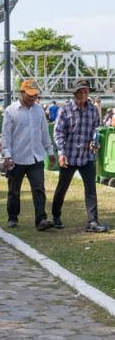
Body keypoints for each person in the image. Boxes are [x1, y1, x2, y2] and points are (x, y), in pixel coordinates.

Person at [52, 80, 108, 232]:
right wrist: (61, 153)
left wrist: (95, 141)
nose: (84, 94)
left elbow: (97, 128)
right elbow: (58, 133)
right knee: (62, 187)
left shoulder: (93, 110)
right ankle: (56, 216)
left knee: (91, 190)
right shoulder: (65, 110)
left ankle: (93, 221)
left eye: (86, 92)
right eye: (81, 92)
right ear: (75, 94)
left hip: (87, 156)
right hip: (69, 156)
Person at [1, 79, 56, 231]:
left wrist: (50, 152)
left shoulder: (39, 111)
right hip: (16, 158)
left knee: (39, 188)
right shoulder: (11, 111)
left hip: (36, 157)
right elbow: (6, 136)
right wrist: (7, 155)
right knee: (14, 190)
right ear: (22, 93)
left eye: (35, 96)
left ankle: (41, 219)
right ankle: (13, 217)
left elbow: (44, 133)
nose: (33, 98)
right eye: (30, 95)